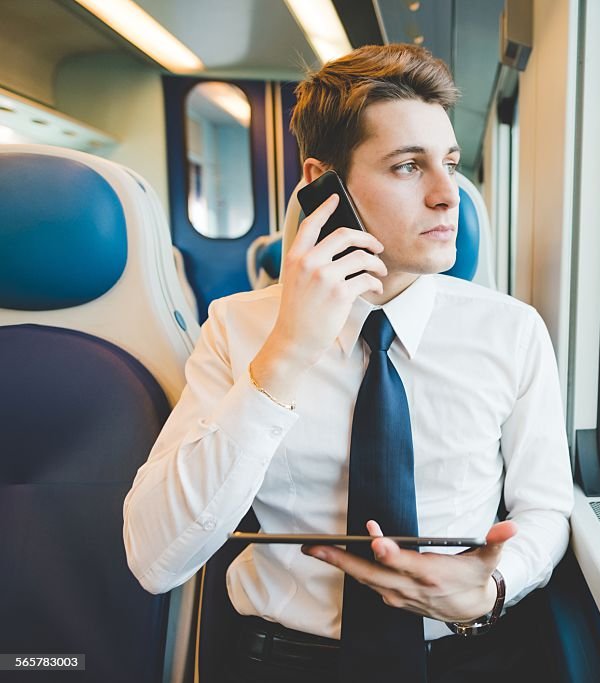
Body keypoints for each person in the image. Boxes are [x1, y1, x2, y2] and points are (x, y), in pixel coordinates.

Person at [123, 44, 574, 682]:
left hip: (467, 657)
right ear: (321, 185)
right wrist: (285, 355)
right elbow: (154, 560)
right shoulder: (238, 326)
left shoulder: (512, 331)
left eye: (449, 162)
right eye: (407, 166)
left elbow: (545, 508)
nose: (449, 196)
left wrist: (493, 587)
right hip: (281, 662)